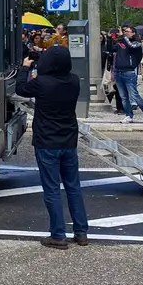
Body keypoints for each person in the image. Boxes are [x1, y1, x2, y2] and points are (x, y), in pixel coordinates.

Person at [15, 46, 88, 250]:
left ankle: (58, 235)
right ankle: (81, 232)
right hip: (68, 141)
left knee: (52, 189)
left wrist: (25, 68)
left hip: (47, 142)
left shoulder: (41, 83)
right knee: (73, 187)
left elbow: (21, 88)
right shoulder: (73, 80)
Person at [112, 25, 143, 125]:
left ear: (133, 33)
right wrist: (112, 38)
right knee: (123, 96)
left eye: (127, 31)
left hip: (129, 72)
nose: (125, 33)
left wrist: (123, 37)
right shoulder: (122, 43)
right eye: (124, 31)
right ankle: (128, 115)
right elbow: (112, 49)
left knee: (134, 95)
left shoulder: (137, 44)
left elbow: (130, 46)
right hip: (119, 71)